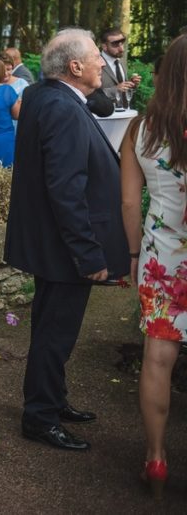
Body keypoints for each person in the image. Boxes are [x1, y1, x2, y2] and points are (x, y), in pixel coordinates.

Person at [5, 28, 130, 452]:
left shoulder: (43, 95)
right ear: (74, 67)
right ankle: (39, 417)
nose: (103, 64)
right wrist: (88, 253)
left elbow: (95, 100)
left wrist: (96, 90)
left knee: (49, 328)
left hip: (49, 243)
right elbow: (65, 188)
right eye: (97, 57)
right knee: (55, 334)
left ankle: (52, 400)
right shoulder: (60, 107)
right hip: (64, 249)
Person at [119, 34, 187, 500]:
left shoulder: (140, 129)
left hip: (163, 260)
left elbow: (128, 201)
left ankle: (157, 458)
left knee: (158, 361)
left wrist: (132, 255)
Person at [98, 28, 141, 109]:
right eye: (115, 45)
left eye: (122, 43)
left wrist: (130, 85)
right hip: (104, 118)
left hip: (124, 114)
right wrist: (115, 90)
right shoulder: (95, 63)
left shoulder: (120, 61)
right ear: (104, 46)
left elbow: (121, 88)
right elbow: (90, 95)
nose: (122, 49)